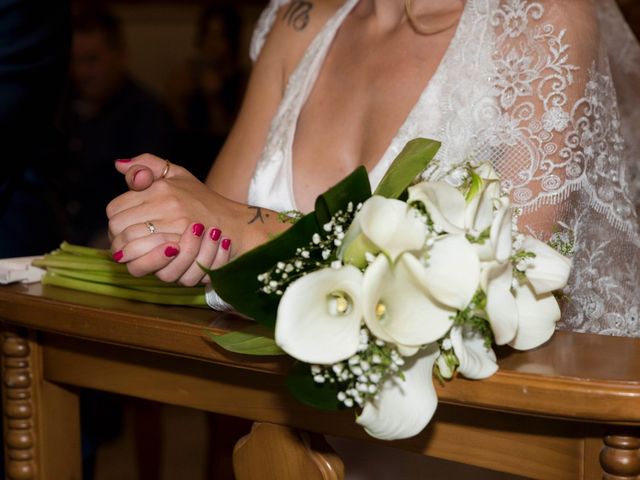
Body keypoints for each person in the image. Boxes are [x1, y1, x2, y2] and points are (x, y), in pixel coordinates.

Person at [106, 0, 640, 475]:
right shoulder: (300, 21)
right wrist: (169, 214)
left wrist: (248, 227)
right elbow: (214, 240)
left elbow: (504, 286)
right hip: (282, 441)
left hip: (464, 449)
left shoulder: (541, 17)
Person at [60, 4, 175, 247]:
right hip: (59, 239)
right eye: (75, 62)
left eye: (92, 60)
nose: (82, 72)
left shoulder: (146, 113)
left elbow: (153, 199)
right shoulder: (62, 105)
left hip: (114, 243)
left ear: (119, 55)